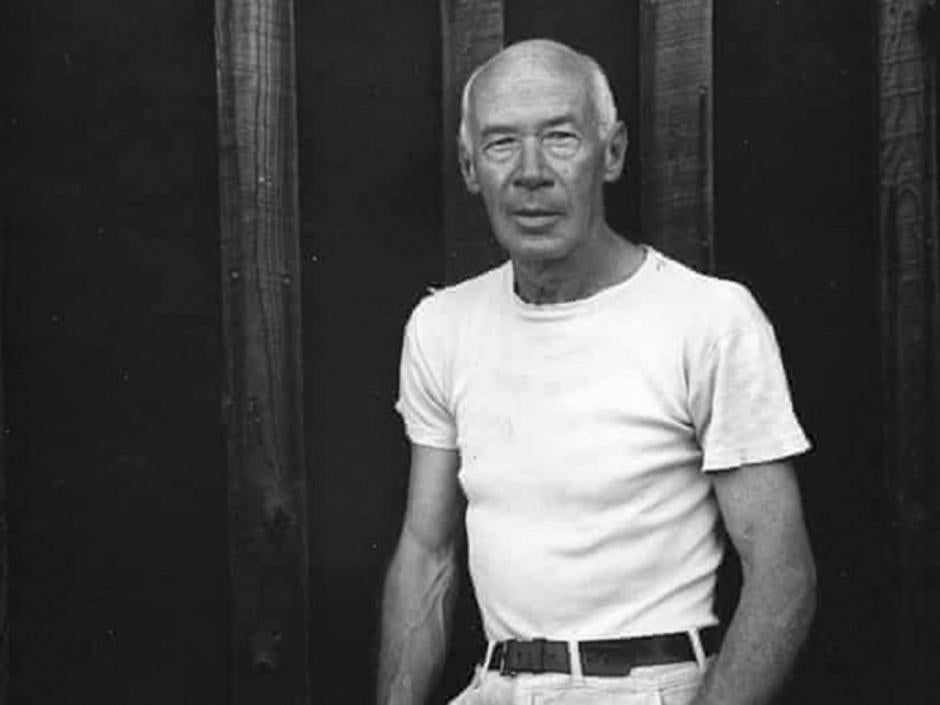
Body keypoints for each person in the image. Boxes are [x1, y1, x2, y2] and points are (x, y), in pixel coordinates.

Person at [377, 38, 816, 705]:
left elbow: (783, 576)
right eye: (500, 144)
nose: (530, 172)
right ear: (470, 167)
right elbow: (426, 555)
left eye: (560, 137)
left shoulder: (708, 318)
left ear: (610, 152)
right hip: (493, 686)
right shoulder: (443, 327)